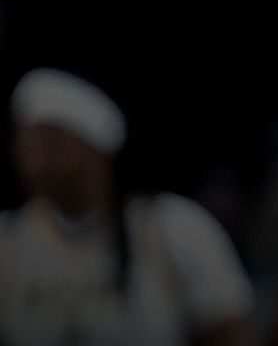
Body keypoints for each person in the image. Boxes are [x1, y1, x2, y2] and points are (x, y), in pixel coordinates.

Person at [0, 68, 254, 346]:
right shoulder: (10, 241)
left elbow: (229, 331)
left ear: (96, 147)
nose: (32, 154)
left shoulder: (173, 230)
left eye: (50, 141)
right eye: (24, 139)